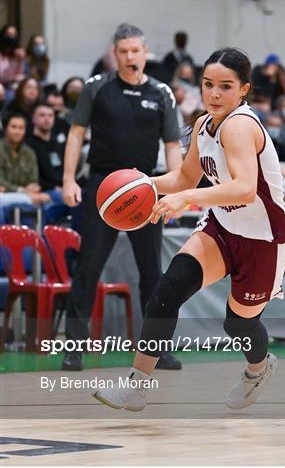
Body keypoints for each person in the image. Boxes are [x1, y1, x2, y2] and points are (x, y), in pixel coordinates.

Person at [92, 47, 285, 412]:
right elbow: (184, 176)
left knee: (238, 326)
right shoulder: (204, 125)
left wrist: (185, 198)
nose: (214, 94)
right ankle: (137, 384)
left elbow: (245, 188)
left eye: (225, 87)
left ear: (244, 89)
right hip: (222, 226)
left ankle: (259, 368)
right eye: (207, 84)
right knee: (168, 289)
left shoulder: (240, 126)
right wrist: (141, 185)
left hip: (263, 238)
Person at [61, 23, 183, 371]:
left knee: (152, 274)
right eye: (123, 51)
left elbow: (173, 147)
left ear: (145, 53)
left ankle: (156, 350)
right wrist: (69, 179)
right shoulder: (96, 88)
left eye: (135, 51)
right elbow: (75, 135)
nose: (130, 57)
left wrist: (173, 193)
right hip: (102, 188)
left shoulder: (162, 93)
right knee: (88, 268)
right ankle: (74, 348)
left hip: (145, 190)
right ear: (115, 54)